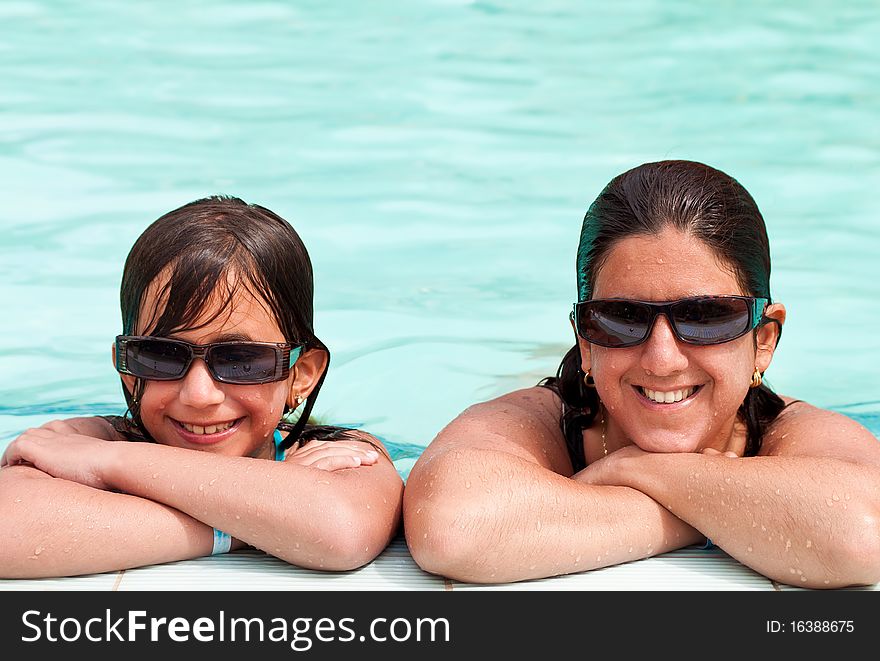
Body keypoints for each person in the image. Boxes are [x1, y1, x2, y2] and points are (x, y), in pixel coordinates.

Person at [403, 160, 880, 588]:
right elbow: (450, 529)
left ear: (764, 340)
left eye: (706, 316)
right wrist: (725, 510)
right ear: (585, 343)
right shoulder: (540, 422)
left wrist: (633, 468)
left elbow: (864, 535)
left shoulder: (790, 431)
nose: (662, 359)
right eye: (620, 317)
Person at [0, 196, 403, 578]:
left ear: (302, 374)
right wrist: (266, 519)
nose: (199, 395)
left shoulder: (337, 452)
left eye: (241, 360)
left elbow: (342, 529)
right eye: (160, 355)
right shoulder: (89, 437)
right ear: (126, 369)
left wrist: (111, 462)